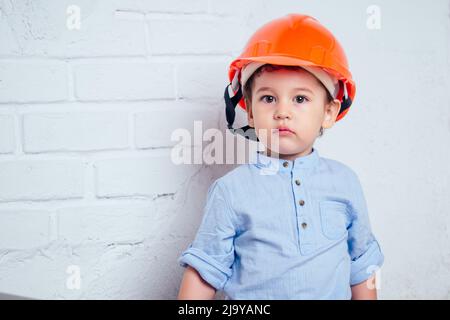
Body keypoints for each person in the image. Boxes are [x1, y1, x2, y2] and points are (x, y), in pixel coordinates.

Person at [177, 13, 384, 300]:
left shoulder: (345, 182)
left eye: (300, 99)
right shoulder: (231, 190)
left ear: (329, 112)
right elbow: (205, 270)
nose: (282, 111)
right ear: (249, 110)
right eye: (268, 98)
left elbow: (362, 264)